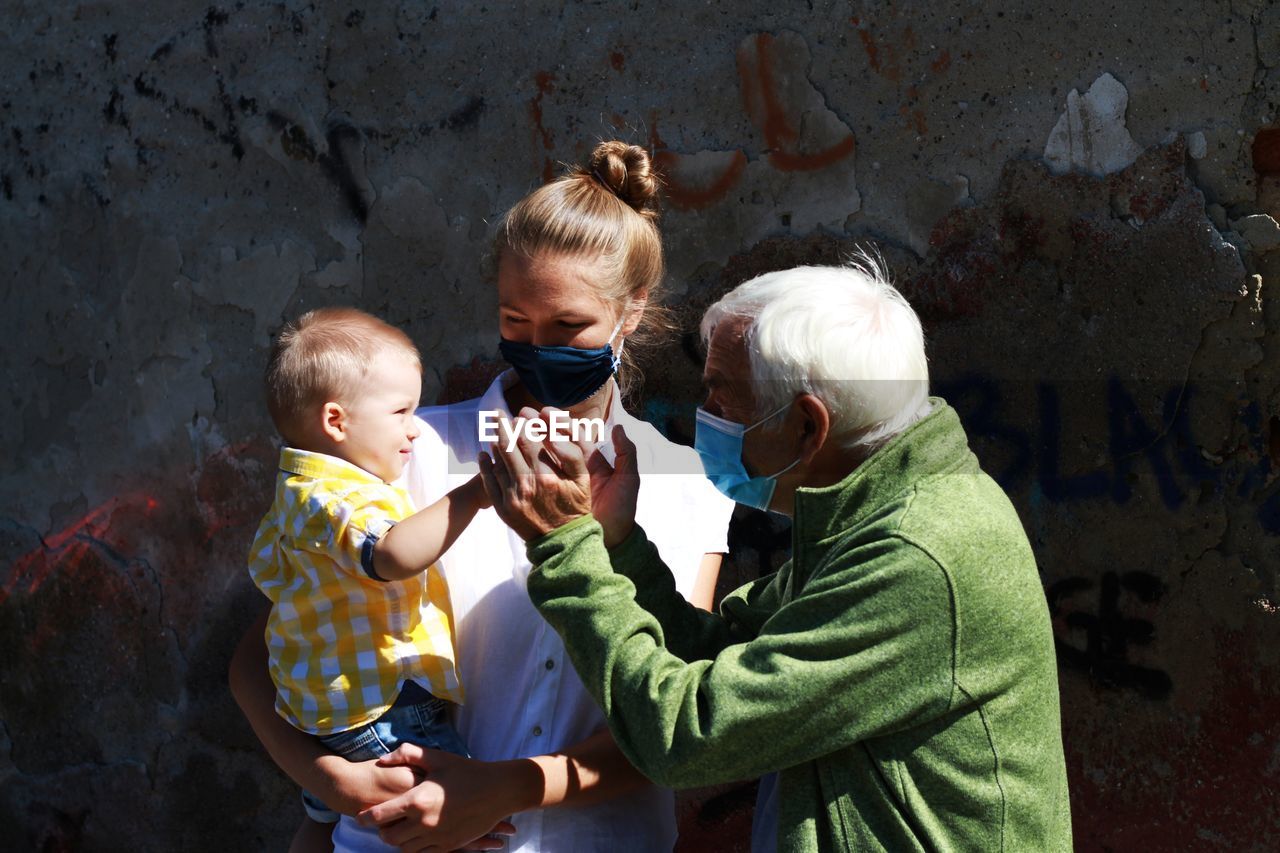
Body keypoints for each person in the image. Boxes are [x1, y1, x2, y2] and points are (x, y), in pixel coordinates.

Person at [229, 140, 735, 852]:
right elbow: (265, 652)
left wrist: (504, 787)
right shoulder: (413, 452)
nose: (536, 347)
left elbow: (672, 718)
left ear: (631, 312)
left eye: (568, 328)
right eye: (513, 322)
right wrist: (334, 784)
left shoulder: (691, 487)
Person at [479, 262, 1074, 851]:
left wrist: (563, 548)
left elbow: (688, 735)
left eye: (721, 398)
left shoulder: (915, 552)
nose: (703, 418)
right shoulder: (873, 512)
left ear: (808, 426)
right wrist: (618, 544)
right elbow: (726, 657)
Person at [247, 307, 486, 831]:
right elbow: (392, 556)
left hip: (332, 718)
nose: (415, 430)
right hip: (384, 713)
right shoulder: (336, 497)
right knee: (466, 810)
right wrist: (475, 493)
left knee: (329, 825)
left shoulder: (295, 491)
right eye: (401, 412)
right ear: (337, 421)